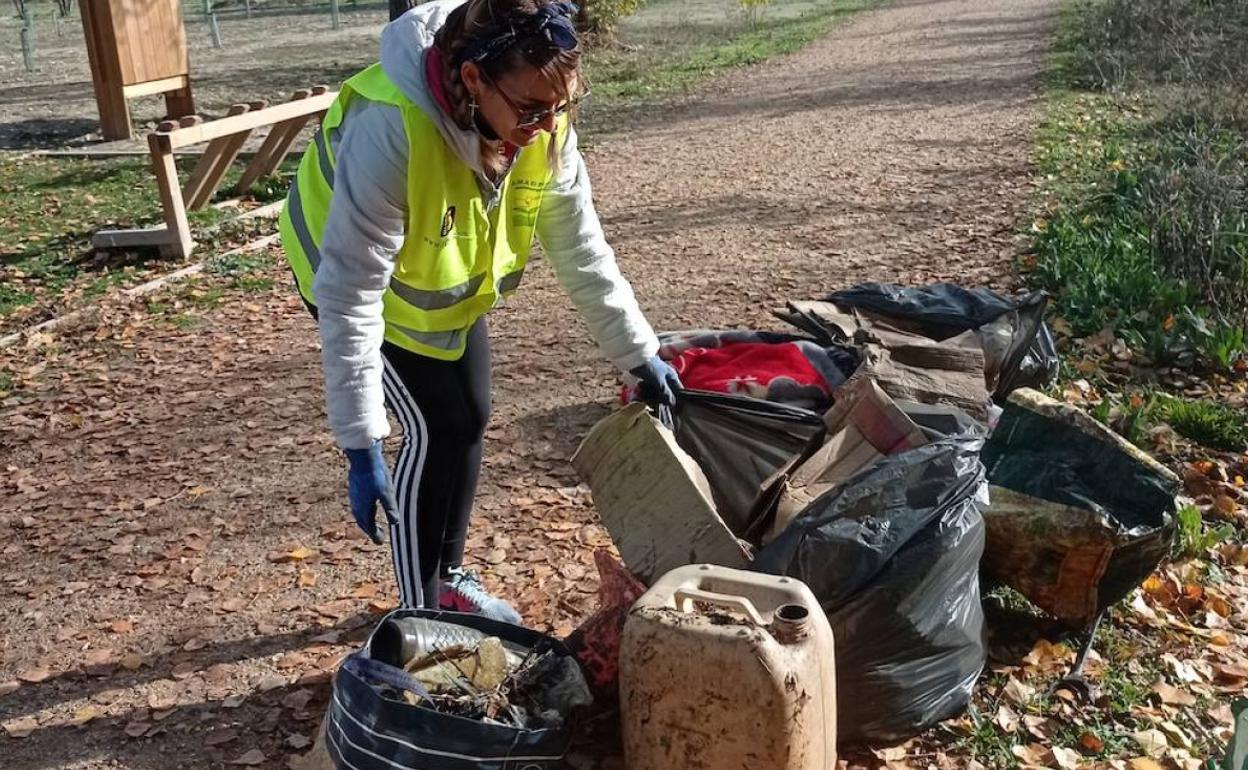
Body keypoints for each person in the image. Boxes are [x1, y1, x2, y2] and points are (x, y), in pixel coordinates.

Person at [279, 0, 681, 623]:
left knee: (469, 415)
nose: (548, 126)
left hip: (437, 280)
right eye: (530, 110)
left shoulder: (541, 120)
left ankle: (446, 577)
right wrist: (360, 439)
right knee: (438, 425)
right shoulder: (392, 127)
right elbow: (351, 291)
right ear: (472, 79)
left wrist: (638, 353)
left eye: (563, 106)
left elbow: (579, 244)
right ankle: (425, 615)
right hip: (344, 273)